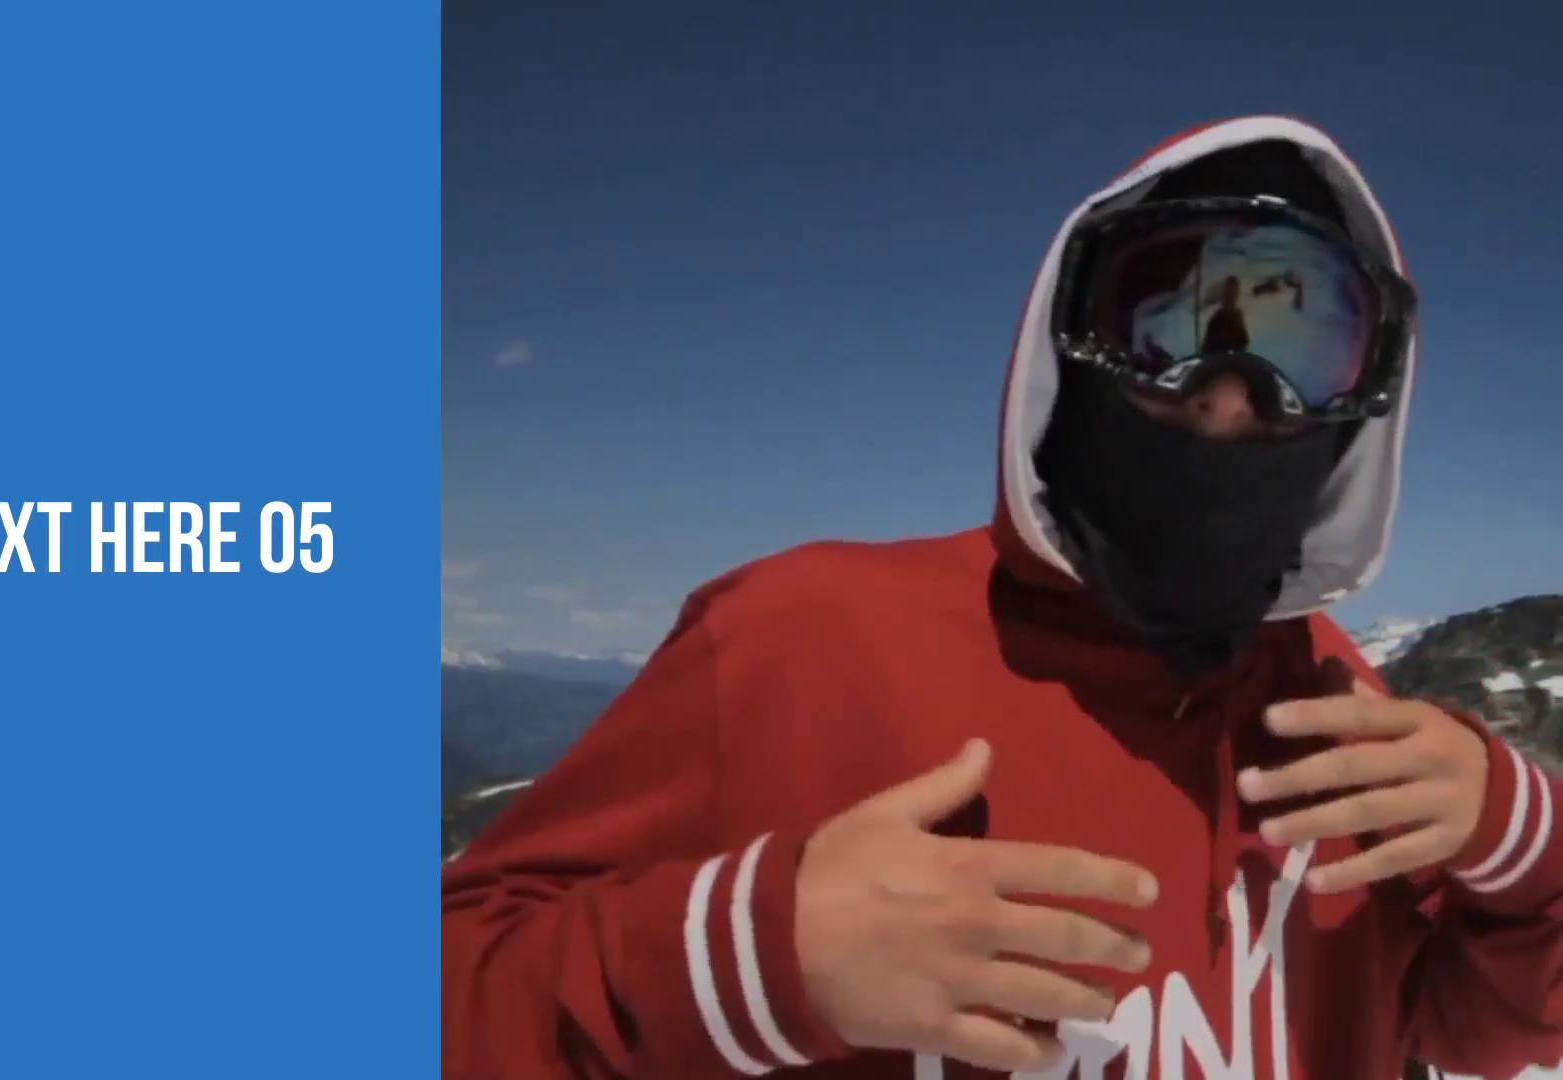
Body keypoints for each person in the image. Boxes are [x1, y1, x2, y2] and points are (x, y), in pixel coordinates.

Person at [440, 115, 1563, 1080]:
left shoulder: (1340, 708)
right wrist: (749, 960)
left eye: (1305, 343)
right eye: (1169, 322)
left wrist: (1523, 843)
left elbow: (1485, 1029)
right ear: (1067, 351)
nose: (1230, 394)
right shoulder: (798, 640)